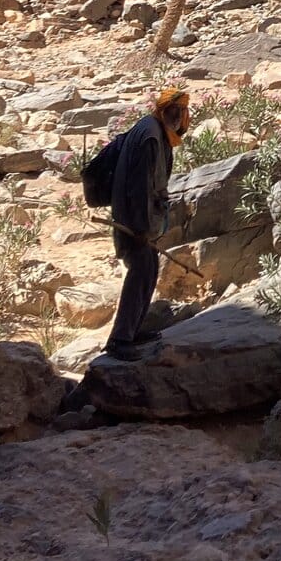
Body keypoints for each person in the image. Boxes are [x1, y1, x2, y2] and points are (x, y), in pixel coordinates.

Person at [102, 87, 189, 360]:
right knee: (140, 272)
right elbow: (139, 186)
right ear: (174, 114)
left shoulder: (153, 129)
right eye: (182, 113)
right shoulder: (150, 136)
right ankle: (119, 340)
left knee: (149, 269)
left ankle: (133, 330)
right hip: (133, 221)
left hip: (138, 219)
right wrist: (141, 228)